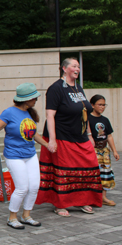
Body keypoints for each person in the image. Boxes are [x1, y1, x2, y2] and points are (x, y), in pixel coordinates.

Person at [35, 57, 102, 216]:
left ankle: (82, 200)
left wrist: (90, 134)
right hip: (62, 137)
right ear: (64, 69)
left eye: (78, 66)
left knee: (88, 166)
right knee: (65, 171)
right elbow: (50, 115)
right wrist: (51, 140)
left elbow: (85, 112)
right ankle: (61, 204)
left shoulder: (78, 88)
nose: (77, 69)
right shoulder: (56, 88)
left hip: (80, 137)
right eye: (74, 66)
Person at [0, 83, 49, 229]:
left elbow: (33, 134)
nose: (36, 99)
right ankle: (12, 217)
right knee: (22, 187)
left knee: (34, 186)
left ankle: (26, 215)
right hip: (14, 155)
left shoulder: (30, 113)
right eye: (34, 97)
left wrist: (48, 145)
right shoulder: (9, 113)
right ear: (26, 99)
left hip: (30, 154)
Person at [89, 94, 119, 206]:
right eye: (99, 104)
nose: (102, 107)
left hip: (104, 150)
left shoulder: (105, 120)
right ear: (92, 105)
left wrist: (114, 151)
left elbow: (109, 136)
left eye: (104, 105)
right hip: (93, 150)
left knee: (105, 173)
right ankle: (92, 197)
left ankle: (103, 197)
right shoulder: (88, 119)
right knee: (94, 173)